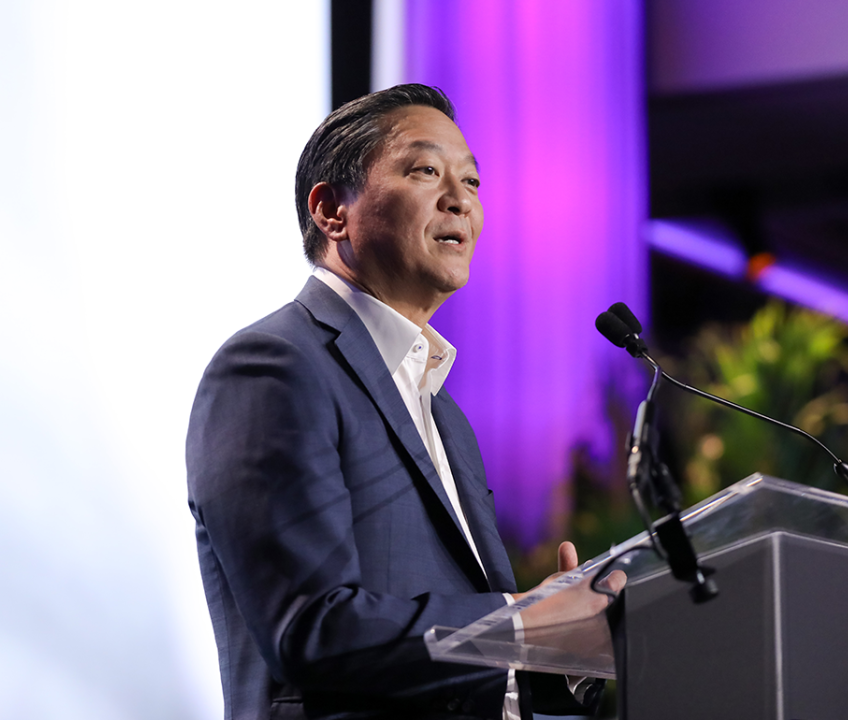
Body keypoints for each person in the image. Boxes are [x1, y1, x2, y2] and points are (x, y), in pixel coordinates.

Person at [186, 84, 621, 720]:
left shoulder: (443, 414)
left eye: (472, 182)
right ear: (332, 212)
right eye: (425, 171)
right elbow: (311, 630)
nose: (460, 201)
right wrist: (523, 621)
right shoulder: (273, 367)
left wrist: (564, 646)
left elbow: (454, 668)